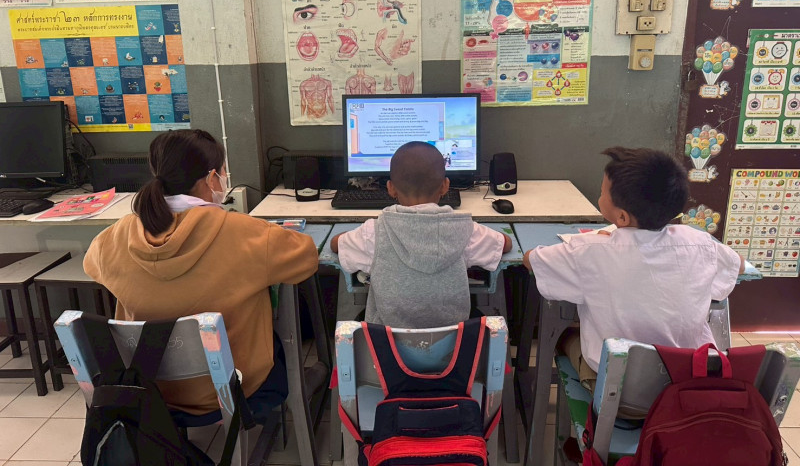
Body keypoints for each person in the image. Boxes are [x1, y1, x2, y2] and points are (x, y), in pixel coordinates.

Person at [83, 129, 319, 416]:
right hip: (232, 387)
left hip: (148, 386)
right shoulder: (247, 233)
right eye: (223, 171)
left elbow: (91, 266)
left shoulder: (117, 235)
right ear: (211, 179)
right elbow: (307, 257)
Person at [523, 146, 744, 395]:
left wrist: (600, 241)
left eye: (602, 192)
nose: (599, 196)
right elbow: (738, 265)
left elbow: (532, 260)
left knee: (566, 336)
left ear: (622, 218)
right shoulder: (699, 243)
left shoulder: (589, 251)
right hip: (687, 382)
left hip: (619, 392)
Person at [330, 141, 511, 328]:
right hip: (452, 340)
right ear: (445, 186)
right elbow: (505, 244)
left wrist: (351, 234)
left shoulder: (374, 232)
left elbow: (336, 244)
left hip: (387, 340)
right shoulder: (465, 229)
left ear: (390, 188)